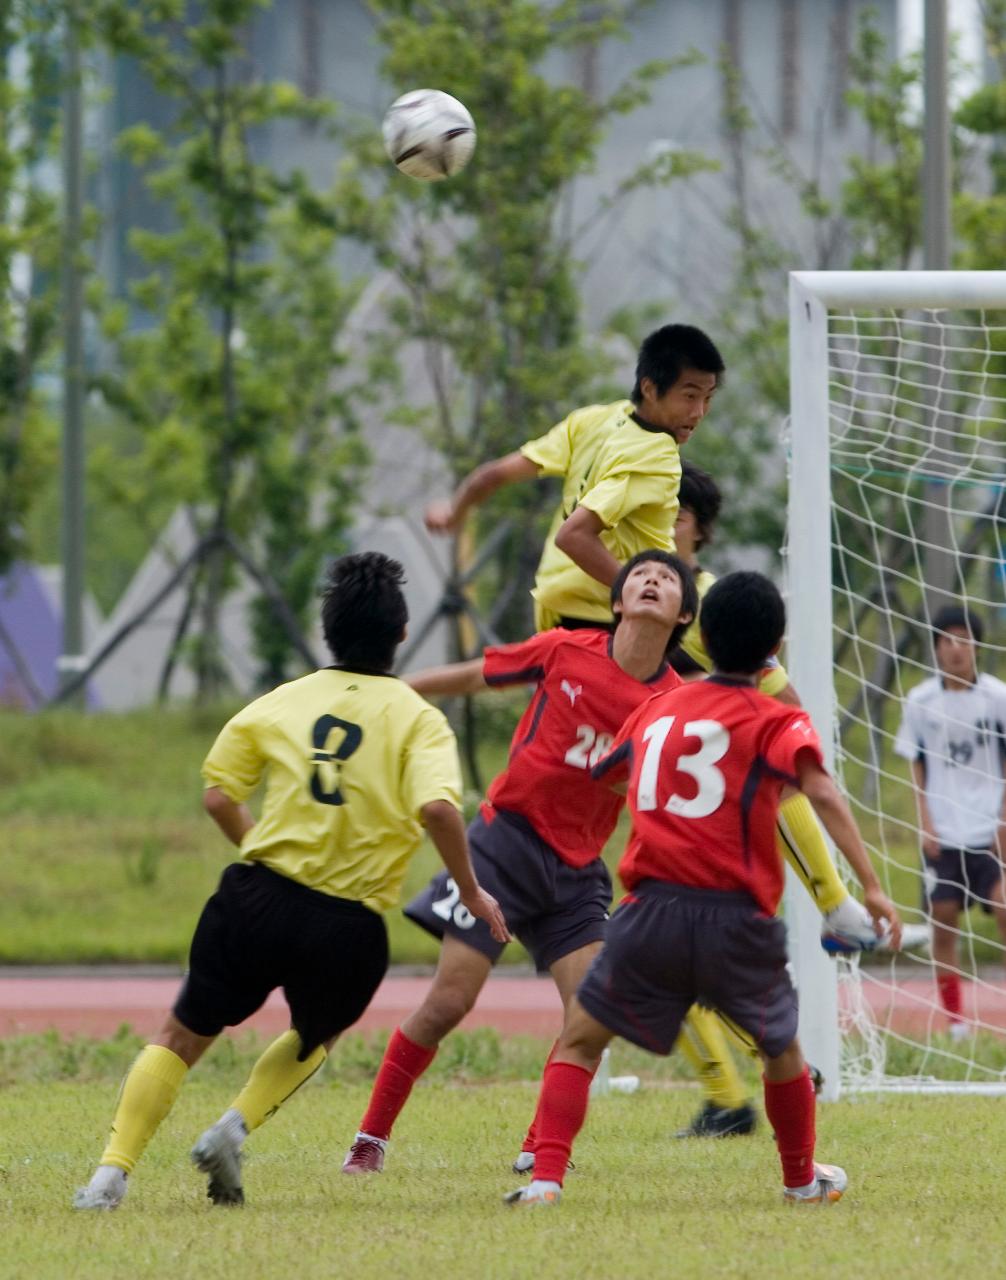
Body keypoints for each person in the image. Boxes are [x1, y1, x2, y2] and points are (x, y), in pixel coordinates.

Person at [73, 552, 507, 1212]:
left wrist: (263, 854)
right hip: (347, 924)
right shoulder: (418, 718)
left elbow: (219, 794)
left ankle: (111, 1174)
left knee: (180, 1035)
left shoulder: (285, 699)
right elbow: (440, 809)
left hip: (256, 897)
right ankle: (232, 1127)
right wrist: (471, 892)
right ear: (400, 634)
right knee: (317, 1036)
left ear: (328, 631)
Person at [506, 571, 902, 1208]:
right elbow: (820, 791)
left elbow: (610, 777)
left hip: (648, 912)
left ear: (703, 634)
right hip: (734, 919)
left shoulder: (655, 708)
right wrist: (872, 889)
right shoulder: (775, 719)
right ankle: (801, 1181)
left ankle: (546, 1180)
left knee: (581, 1038)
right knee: (781, 1049)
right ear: (775, 644)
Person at [340, 551, 698, 1175]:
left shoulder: (675, 704)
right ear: (616, 601)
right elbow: (476, 675)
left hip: (577, 871)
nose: (652, 580)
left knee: (590, 1015)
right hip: (503, 846)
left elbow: (667, 795)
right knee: (450, 1001)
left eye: (668, 579)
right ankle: (369, 1140)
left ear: (683, 613)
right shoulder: (564, 649)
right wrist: (398, 691)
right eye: (640, 574)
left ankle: (541, 1148)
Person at [666, 461, 885, 1138]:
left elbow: (784, 704)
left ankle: (834, 903)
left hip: (722, 824)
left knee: (634, 957)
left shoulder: (707, 603)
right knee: (659, 962)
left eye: (670, 511)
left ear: (699, 528)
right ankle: (735, 1094)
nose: (651, 519)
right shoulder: (640, 588)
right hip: (673, 809)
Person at [425, 323, 724, 630]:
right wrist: (638, 598)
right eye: (689, 396)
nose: (699, 412)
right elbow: (574, 535)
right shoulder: (658, 455)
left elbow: (488, 477)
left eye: (708, 398)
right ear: (649, 389)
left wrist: (453, 513)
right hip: (607, 624)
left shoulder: (593, 420)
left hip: (552, 617)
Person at [894, 604, 1006, 1039]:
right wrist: (925, 823)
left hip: (990, 827)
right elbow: (915, 765)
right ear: (937, 647)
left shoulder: (997, 697)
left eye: (964, 639)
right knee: (942, 916)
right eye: (947, 640)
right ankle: (957, 1022)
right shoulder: (921, 701)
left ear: (976, 646)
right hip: (945, 827)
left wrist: (1003, 819)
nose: (956, 649)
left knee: (1003, 907)